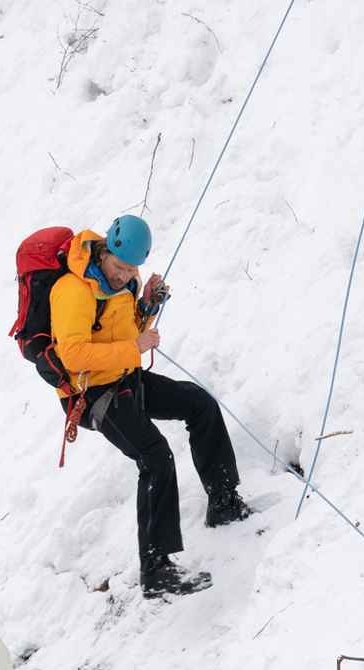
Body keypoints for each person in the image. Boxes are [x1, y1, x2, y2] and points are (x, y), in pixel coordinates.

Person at [46, 214, 253, 598]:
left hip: (126, 378)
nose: (124, 275)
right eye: (119, 267)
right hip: (92, 395)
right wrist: (134, 348)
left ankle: (223, 501)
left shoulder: (124, 283)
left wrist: (147, 305)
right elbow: (72, 354)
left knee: (199, 403)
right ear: (105, 250)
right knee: (155, 457)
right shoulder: (72, 290)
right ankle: (156, 571)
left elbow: (124, 328)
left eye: (131, 269)